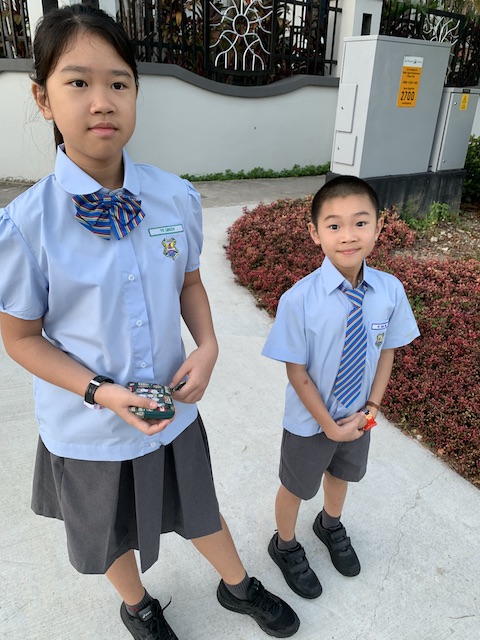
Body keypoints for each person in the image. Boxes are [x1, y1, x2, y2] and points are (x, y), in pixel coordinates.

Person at [0, 5, 299, 640]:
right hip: (89, 424)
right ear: (43, 99)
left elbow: (189, 284)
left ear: (136, 92)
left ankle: (238, 586)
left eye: (119, 82)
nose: (102, 100)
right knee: (108, 529)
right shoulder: (26, 225)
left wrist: (209, 344)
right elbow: (20, 338)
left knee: (198, 506)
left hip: (171, 407)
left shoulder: (173, 197)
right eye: (77, 82)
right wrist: (100, 392)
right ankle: (137, 606)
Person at [262, 175, 420, 599]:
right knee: (296, 486)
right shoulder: (299, 300)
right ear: (315, 233)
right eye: (334, 225)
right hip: (309, 421)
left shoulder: (389, 291)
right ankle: (284, 544)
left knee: (341, 474)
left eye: (360, 223)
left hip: (358, 415)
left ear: (379, 226)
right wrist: (328, 426)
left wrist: (372, 408)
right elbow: (297, 373)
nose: (348, 235)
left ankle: (329, 524)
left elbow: (387, 352)